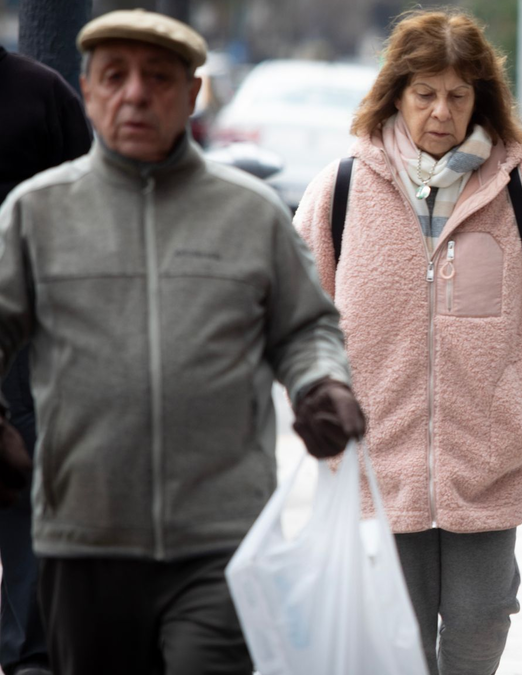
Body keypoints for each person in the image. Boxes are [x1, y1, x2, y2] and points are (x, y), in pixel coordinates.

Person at [0, 10, 365, 674]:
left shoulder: (250, 212)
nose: (135, 94)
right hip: (85, 542)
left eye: (158, 78)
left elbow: (306, 325)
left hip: (222, 542)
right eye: (115, 77)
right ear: (87, 91)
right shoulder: (35, 213)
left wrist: (321, 382)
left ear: (193, 94)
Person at [293, 9, 522, 674]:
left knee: (484, 619)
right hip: (375, 461)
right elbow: (296, 312)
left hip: (487, 458)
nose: (440, 112)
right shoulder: (339, 189)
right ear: (395, 93)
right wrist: (322, 398)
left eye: (458, 95)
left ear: (480, 99)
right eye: (424, 93)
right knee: (394, 642)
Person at [0, 43, 92, 675]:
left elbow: (90, 203)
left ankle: (28, 652)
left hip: (26, 333)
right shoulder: (42, 90)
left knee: (24, 484)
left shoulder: (42, 92)